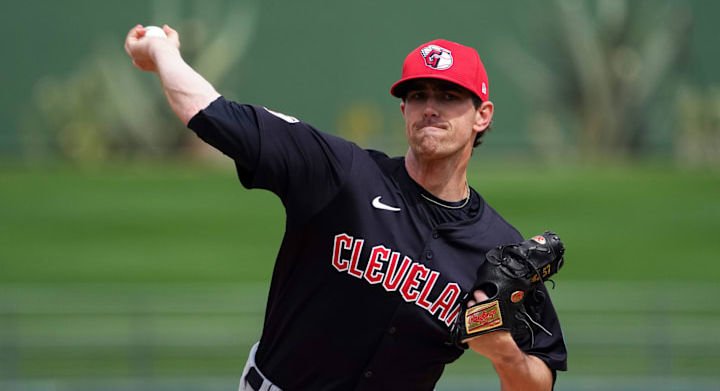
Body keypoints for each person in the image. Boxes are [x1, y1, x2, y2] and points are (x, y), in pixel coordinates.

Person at [124, 24, 567, 391]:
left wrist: (502, 350)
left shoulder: (498, 249)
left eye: (448, 96)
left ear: (482, 115)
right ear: (404, 108)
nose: (430, 108)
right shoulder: (342, 174)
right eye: (418, 95)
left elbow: (539, 380)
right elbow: (212, 113)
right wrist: (162, 52)